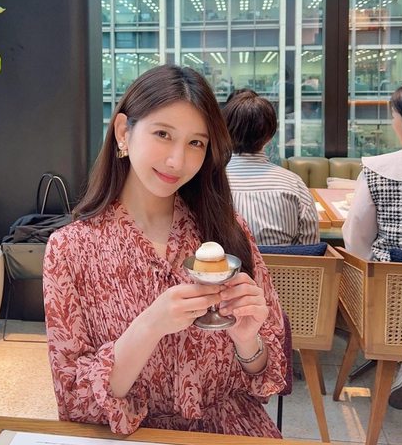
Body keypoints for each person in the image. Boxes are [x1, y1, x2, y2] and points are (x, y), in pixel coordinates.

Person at [43, 65, 286, 437]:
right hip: (133, 434)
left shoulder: (228, 232)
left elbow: (268, 375)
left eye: (196, 143)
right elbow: (75, 401)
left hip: (230, 431)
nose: (177, 160)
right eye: (162, 134)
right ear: (123, 132)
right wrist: (149, 326)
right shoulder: (70, 249)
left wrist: (247, 340)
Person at [223, 89, 319, 246]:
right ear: (269, 136)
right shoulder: (295, 185)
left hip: (225, 263)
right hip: (286, 263)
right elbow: (309, 250)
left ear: (224, 132)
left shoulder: (208, 184)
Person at [343, 81, 402, 261]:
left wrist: (373, 271)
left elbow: (355, 238)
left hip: (388, 276)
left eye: (394, 116)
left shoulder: (377, 170)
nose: (392, 123)